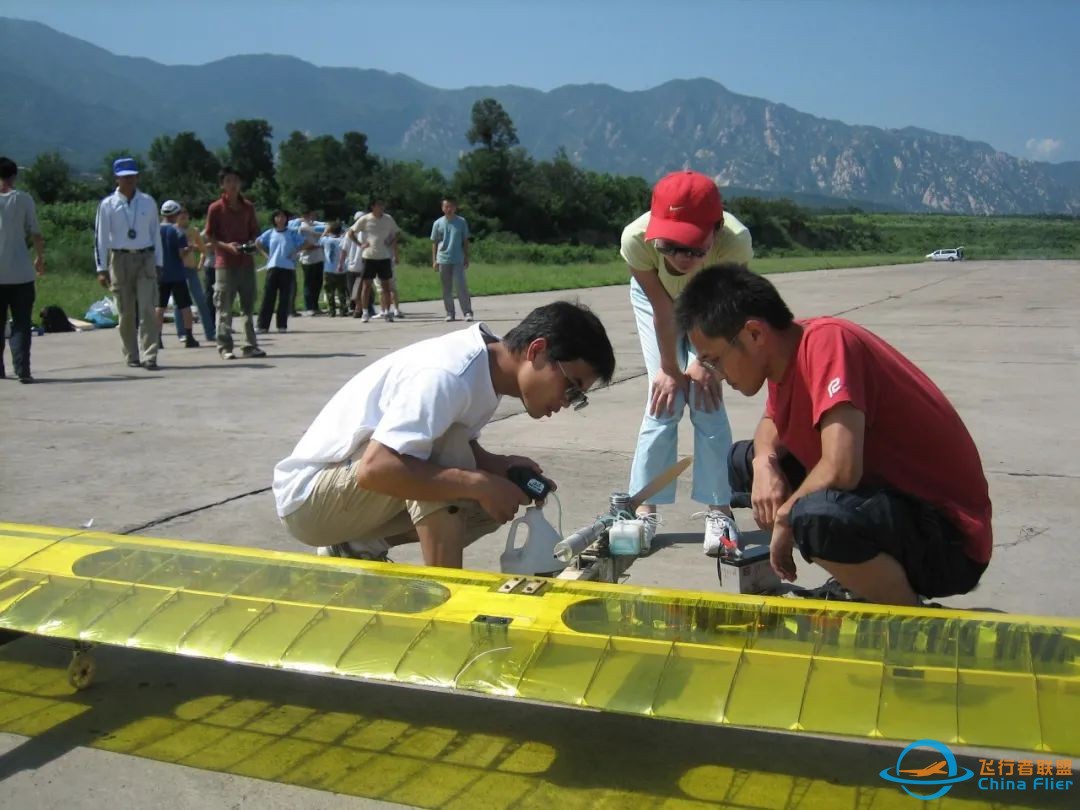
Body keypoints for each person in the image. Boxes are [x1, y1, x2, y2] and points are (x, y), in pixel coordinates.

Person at [675, 263, 992, 605]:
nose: (716, 375)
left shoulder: (828, 343)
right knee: (745, 463)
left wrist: (785, 517)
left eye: (714, 360)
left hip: (951, 541)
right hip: (900, 510)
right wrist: (766, 465)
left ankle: (908, 620)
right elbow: (771, 424)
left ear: (754, 334)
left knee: (815, 518)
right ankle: (864, 583)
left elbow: (842, 468)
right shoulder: (787, 355)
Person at [273, 301, 616, 568]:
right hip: (309, 501)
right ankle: (448, 598)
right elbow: (376, 467)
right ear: (537, 351)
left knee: (501, 496)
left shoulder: (484, 374)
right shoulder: (451, 374)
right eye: (571, 388)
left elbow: (458, 449)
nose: (567, 402)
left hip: (345, 501)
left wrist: (496, 466)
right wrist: (479, 483)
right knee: (459, 467)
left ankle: (355, 545)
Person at [621, 170, 753, 555]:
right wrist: (669, 368)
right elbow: (663, 309)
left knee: (705, 394)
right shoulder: (635, 239)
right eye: (671, 246)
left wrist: (703, 363)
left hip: (712, 308)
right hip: (655, 302)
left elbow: (720, 309)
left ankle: (720, 510)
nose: (682, 258)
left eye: (695, 249)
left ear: (716, 230)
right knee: (663, 397)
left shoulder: (735, 243)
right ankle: (643, 509)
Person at [94, 157, 163, 370]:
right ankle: (131, 354)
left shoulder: (148, 201)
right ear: (117, 178)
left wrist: (159, 262)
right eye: (125, 177)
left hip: (145, 257)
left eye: (133, 175)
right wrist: (101, 268)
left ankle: (150, 354)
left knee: (147, 308)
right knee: (126, 312)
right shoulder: (108, 204)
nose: (130, 180)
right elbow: (101, 238)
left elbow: (155, 233)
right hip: (120, 258)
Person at [204, 166, 265, 360]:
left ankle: (250, 345)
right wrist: (226, 246)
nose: (233, 184)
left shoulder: (248, 207)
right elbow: (209, 236)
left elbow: (255, 231)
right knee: (224, 306)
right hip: (224, 262)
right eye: (228, 180)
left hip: (246, 261)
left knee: (248, 306)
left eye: (236, 181)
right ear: (222, 184)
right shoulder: (215, 208)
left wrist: (252, 244)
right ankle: (224, 345)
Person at [0, 156, 46, 383]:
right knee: (21, 323)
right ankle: (23, 369)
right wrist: (39, 258)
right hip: (21, 273)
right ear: (14, 176)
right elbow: (35, 233)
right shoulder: (24, 199)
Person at [255, 209, 311, 333]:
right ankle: (262, 325)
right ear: (274, 219)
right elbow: (258, 242)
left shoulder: (291, 233)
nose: (281, 219)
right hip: (273, 266)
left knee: (284, 297)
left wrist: (296, 252)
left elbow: (306, 243)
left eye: (283, 217)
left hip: (287, 267)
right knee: (268, 297)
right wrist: (265, 255)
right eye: (278, 217)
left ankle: (282, 325)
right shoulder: (270, 233)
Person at [156, 200, 199, 357]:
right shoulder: (178, 232)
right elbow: (181, 254)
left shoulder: (155, 231)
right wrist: (189, 249)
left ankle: (157, 338)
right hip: (177, 274)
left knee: (159, 307)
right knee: (185, 306)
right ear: (175, 214)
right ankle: (189, 337)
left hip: (160, 273)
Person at [347, 199, 398, 322]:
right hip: (369, 256)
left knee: (386, 286)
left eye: (382, 204)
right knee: (366, 285)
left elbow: (396, 232)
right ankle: (364, 312)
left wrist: (390, 242)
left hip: (384, 256)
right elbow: (351, 232)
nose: (381, 207)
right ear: (373, 206)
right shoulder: (365, 219)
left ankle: (386, 311)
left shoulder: (388, 219)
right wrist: (360, 244)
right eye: (379, 205)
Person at [173, 208, 215, 342]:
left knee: (200, 299)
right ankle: (182, 333)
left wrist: (198, 257)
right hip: (178, 268)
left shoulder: (194, 231)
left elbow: (203, 249)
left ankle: (210, 332)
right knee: (178, 302)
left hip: (190, 268)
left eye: (185, 215)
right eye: (181, 215)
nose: (184, 217)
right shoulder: (172, 230)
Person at [431, 196, 472, 322]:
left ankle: (467, 312)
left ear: (455, 207)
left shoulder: (461, 222)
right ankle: (450, 313)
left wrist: (466, 257)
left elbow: (465, 241)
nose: (448, 209)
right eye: (446, 206)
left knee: (461, 286)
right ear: (442, 208)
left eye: (451, 206)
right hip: (443, 258)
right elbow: (435, 242)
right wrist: (434, 260)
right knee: (446, 288)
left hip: (457, 258)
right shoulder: (438, 223)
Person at [294, 209, 326, 316]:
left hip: (319, 258)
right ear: (305, 216)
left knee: (318, 283)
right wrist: (320, 243)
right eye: (310, 215)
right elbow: (307, 245)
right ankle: (309, 307)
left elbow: (325, 227)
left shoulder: (315, 225)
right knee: (309, 284)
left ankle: (315, 306)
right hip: (308, 259)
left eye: (313, 215)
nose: (312, 217)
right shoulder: (303, 227)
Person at [321, 221, 349, 317]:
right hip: (342, 269)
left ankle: (331, 310)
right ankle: (343, 309)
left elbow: (320, 240)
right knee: (342, 291)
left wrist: (326, 231)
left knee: (329, 291)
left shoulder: (326, 240)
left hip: (329, 269)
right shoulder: (343, 240)